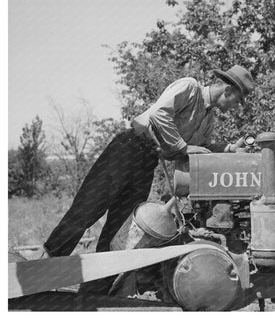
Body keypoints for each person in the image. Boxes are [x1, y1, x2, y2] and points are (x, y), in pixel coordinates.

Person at [42, 64, 255, 294]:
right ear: (229, 91)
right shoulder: (189, 87)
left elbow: (202, 148)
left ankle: (94, 292)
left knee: (119, 228)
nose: (233, 106)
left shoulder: (208, 118)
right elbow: (159, 114)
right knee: (86, 210)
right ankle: (40, 271)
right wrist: (183, 147)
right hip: (128, 148)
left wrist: (231, 148)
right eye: (236, 101)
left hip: (147, 162)